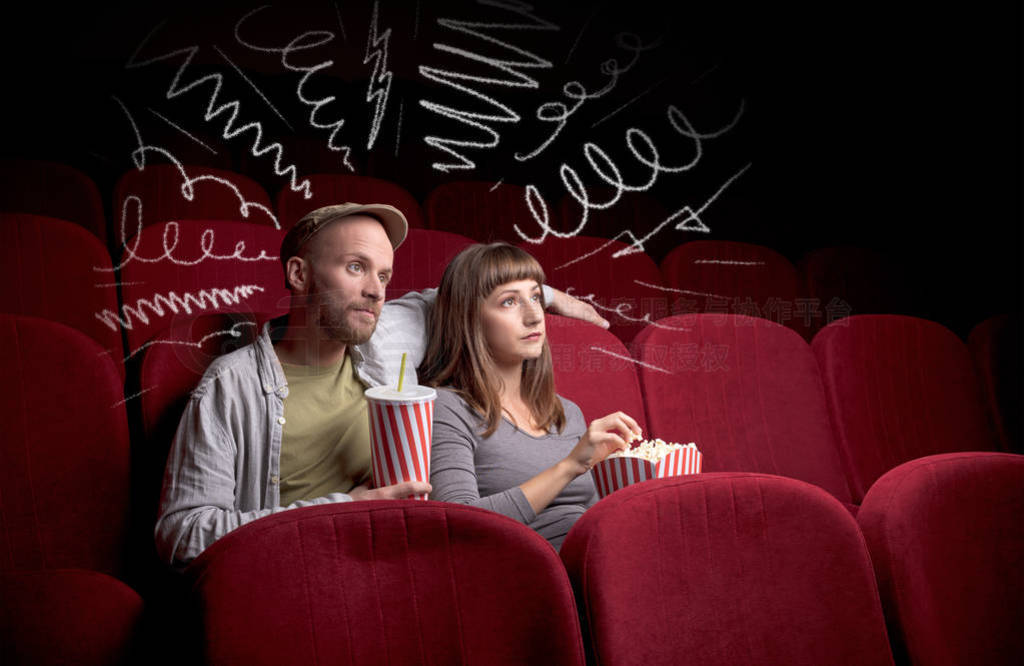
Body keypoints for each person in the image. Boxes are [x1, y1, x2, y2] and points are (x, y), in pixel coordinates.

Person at [155, 204, 608, 568]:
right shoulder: (231, 385)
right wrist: (340, 508)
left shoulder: (387, 345)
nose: (376, 290)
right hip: (296, 570)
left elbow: (467, 294)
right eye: (356, 267)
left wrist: (551, 297)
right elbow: (182, 534)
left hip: (404, 563)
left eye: (384, 275)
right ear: (298, 275)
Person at [419, 243, 642, 550]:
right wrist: (570, 466)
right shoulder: (446, 407)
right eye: (509, 301)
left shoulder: (566, 413)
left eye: (536, 297)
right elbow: (458, 523)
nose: (535, 315)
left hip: (598, 561)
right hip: (523, 573)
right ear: (469, 317)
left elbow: (591, 518)